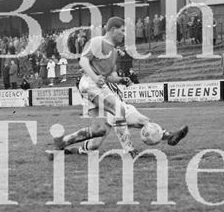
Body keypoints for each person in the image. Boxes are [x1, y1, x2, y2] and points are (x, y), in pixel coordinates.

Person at [50, 17, 188, 158]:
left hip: (103, 90)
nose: (124, 34)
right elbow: (83, 61)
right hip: (90, 84)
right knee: (119, 110)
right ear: (113, 30)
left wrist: (121, 80)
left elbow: (110, 76)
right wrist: (95, 76)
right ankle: (129, 150)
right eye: (122, 31)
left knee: (99, 133)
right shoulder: (97, 42)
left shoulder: (114, 52)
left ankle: (62, 144)